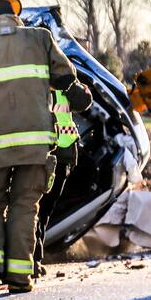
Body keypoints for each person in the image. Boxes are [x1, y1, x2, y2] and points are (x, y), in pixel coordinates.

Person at [0, 0, 89, 293]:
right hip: (36, 143)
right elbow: (64, 77)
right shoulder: (41, 38)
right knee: (25, 205)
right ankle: (20, 277)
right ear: (13, 15)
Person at [32, 83, 92, 277]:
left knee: (40, 209)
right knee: (37, 209)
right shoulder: (59, 74)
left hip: (52, 152)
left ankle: (33, 259)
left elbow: (84, 101)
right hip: (54, 152)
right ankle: (30, 260)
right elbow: (84, 100)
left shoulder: (58, 77)